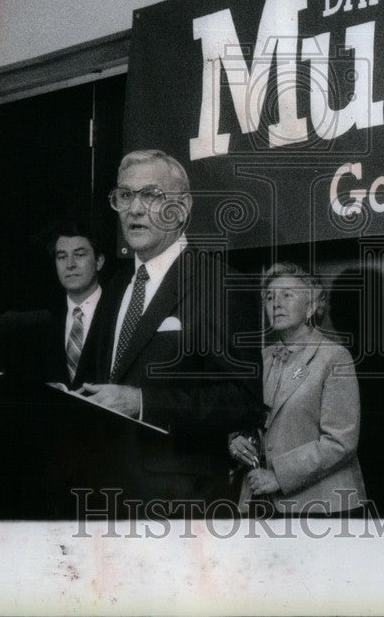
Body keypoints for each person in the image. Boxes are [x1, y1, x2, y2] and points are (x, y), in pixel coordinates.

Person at [77, 149, 261, 506]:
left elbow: (243, 401)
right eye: (125, 195)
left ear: (183, 208)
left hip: (181, 502)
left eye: (151, 195)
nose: (134, 208)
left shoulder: (219, 284)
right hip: (105, 491)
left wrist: (142, 401)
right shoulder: (115, 287)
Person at [229, 263, 366, 515]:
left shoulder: (334, 357)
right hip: (262, 504)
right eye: (270, 297)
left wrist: (278, 476)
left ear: (311, 306)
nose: (276, 303)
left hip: (323, 506)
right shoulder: (262, 357)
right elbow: (248, 419)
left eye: (287, 295)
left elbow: (340, 440)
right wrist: (236, 439)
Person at [45, 221, 108, 387]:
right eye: (62, 257)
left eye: (79, 255)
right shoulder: (46, 317)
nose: (70, 264)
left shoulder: (117, 310)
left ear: (99, 261)